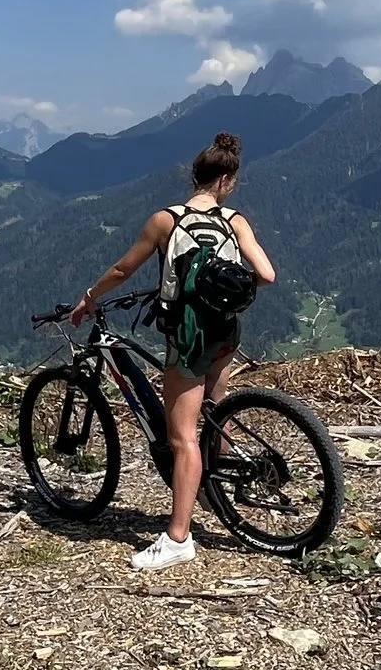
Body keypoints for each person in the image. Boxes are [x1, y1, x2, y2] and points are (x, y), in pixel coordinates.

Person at [68, 132, 276, 572]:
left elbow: (123, 269)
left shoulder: (166, 220)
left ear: (194, 176)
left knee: (182, 439)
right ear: (228, 181)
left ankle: (178, 538)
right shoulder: (235, 221)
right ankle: (217, 485)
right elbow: (267, 275)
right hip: (226, 331)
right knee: (214, 407)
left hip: (188, 337)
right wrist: (224, 285)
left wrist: (89, 297)